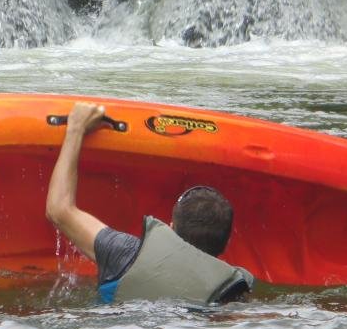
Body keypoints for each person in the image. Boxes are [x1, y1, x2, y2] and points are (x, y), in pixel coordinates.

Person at [45, 102, 253, 305]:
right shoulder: (231, 289)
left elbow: (59, 210)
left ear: (170, 229)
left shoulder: (125, 253)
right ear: (226, 245)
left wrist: (76, 128)